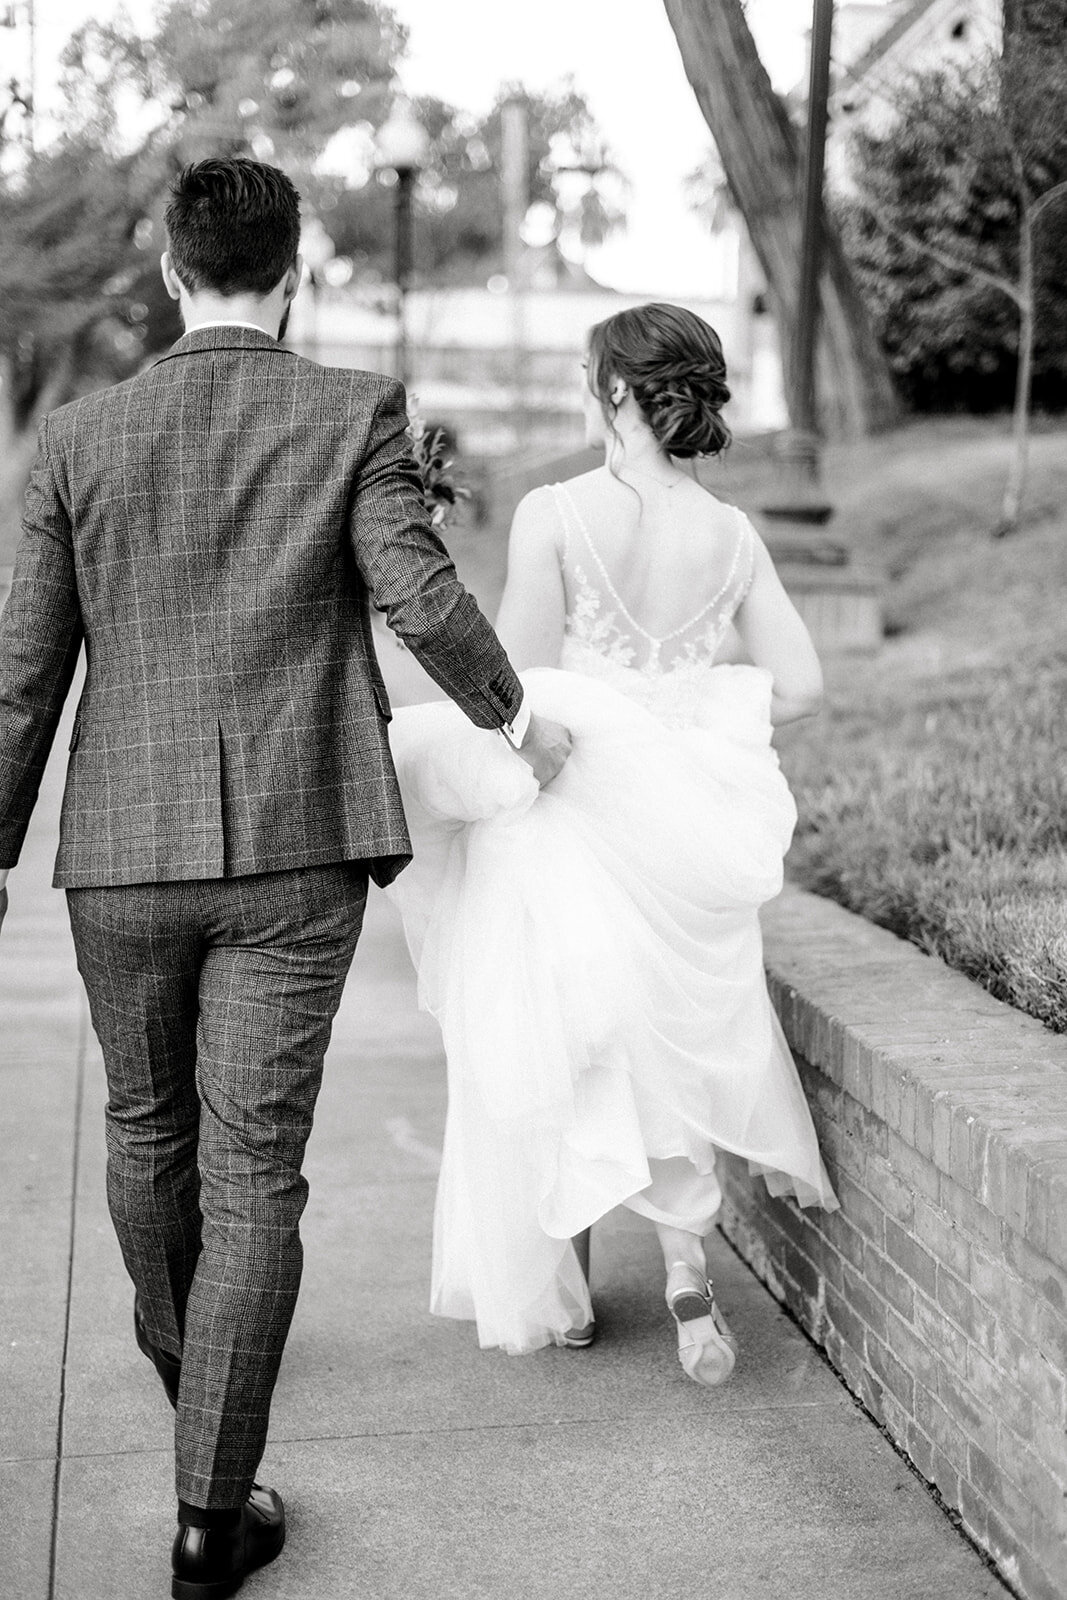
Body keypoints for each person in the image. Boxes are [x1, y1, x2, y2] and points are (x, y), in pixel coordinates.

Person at [0, 157, 569, 1599]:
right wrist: (511, 711)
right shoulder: (348, 411)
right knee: (252, 1171)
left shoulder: (73, 440)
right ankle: (210, 1512)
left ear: (168, 267)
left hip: (121, 854)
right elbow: (420, 592)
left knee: (146, 1132)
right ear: (292, 269)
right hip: (298, 843)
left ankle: (195, 1381)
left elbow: (20, 683)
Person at [384, 301, 838, 1384]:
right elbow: (807, 686)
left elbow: (522, 688)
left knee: (560, 1033)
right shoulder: (730, 535)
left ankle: (568, 1298)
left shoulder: (555, 513)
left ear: (621, 392)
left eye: (591, 378)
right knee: (650, 1025)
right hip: (676, 813)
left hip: (567, 801)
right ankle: (682, 1263)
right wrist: (686, 714)